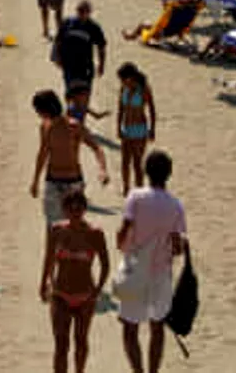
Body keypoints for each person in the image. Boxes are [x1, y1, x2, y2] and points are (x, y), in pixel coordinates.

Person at [117, 151, 186, 373]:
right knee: (157, 327)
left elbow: (124, 230)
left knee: (130, 327)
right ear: (170, 174)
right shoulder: (176, 205)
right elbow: (177, 247)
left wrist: (124, 245)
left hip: (134, 269)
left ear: (146, 171)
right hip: (160, 273)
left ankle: (138, 371)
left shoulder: (135, 196)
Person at [40, 190, 110, 373]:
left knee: (81, 342)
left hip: (85, 296)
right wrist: (43, 284)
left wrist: (97, 290)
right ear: (64, 210)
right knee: (61, 345)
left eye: (79, 209)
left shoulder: (95, 234)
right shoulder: (56, 230)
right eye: (71, 209)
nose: (75, 213)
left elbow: (105, 264)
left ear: (85, 209)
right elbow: (48, 259)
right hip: (60, 294)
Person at [30, 90, 110, 224]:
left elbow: (96, 148)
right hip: (53, 181)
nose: (38, 114)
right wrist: (35, 181)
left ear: (44, 110)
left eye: (37, 110)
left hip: (73, 183)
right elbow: (42, 154)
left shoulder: (74, 126)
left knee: (74, 226)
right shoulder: (45, 127)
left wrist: (103, 169)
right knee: (53, 227)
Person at [116, 63, 156, 196]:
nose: (122, 82)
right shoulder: (123, 88)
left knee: (137, 163)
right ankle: (126, 188)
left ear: (131, 77)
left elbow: (151, 109)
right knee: (124, 161)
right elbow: (120, 108)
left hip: (140, 129)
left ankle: (139, 190)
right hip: (127, 128)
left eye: (123, 79)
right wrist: (118, 126)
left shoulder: (144, 89)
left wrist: (152, 129)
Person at [53, 1, 106, 91]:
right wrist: (58, 57)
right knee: (70, 90)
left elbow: (101, 47)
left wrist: (101, 65)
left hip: (85, 64)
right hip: (69, 63)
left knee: (85, 90)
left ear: (89, 13)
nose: (81, 14)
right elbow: (58, 41)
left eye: (84, 11)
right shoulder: (67, 23)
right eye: (79, 11)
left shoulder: (94, 27)